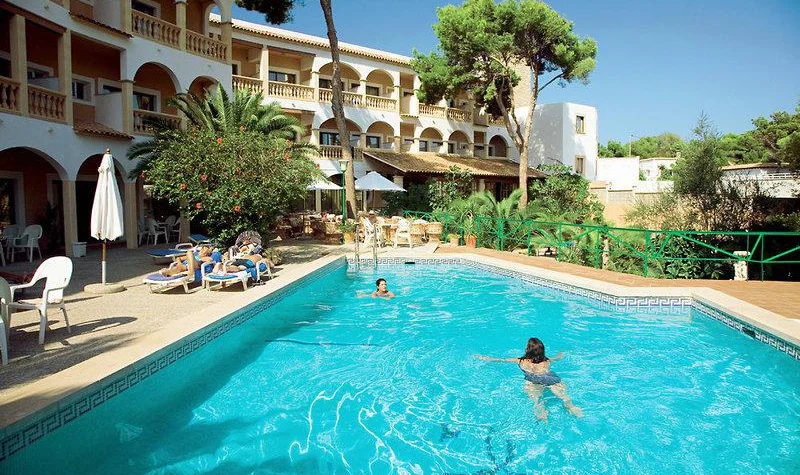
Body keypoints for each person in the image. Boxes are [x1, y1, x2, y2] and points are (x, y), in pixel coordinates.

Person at [476, 337, 583, 422]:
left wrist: (484, 358)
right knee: (564, 397)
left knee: (536, 401)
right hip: (551, 378)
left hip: (533, 380)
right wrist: (562, 353)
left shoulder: (520, 361)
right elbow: (557, 358)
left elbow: (501, 360)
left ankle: (543, 417)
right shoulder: (547, 360)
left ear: (528, 350)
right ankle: (572, 408)